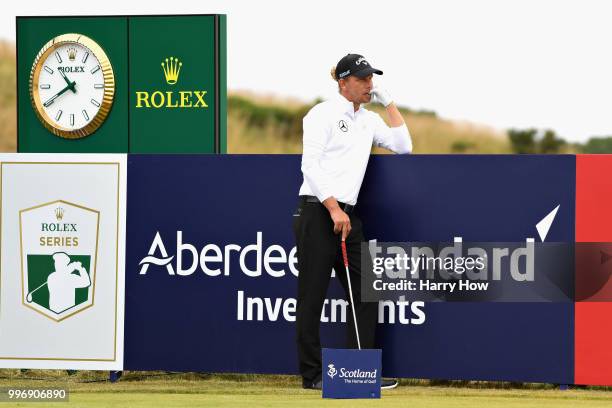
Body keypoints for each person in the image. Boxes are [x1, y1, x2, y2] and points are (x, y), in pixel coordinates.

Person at [293, 53, 412, 390]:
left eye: (371, 78)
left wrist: (388, 102)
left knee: (365, 292)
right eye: (362, 79)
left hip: (347, 216)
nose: (369, 84)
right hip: (318, 212)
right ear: (343, 82)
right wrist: (333, 208)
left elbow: (404, 146)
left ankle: (358, 373)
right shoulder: (322, 114)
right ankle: (313, 376)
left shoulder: (369, 120)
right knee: (311, 298)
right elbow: (310, 167)